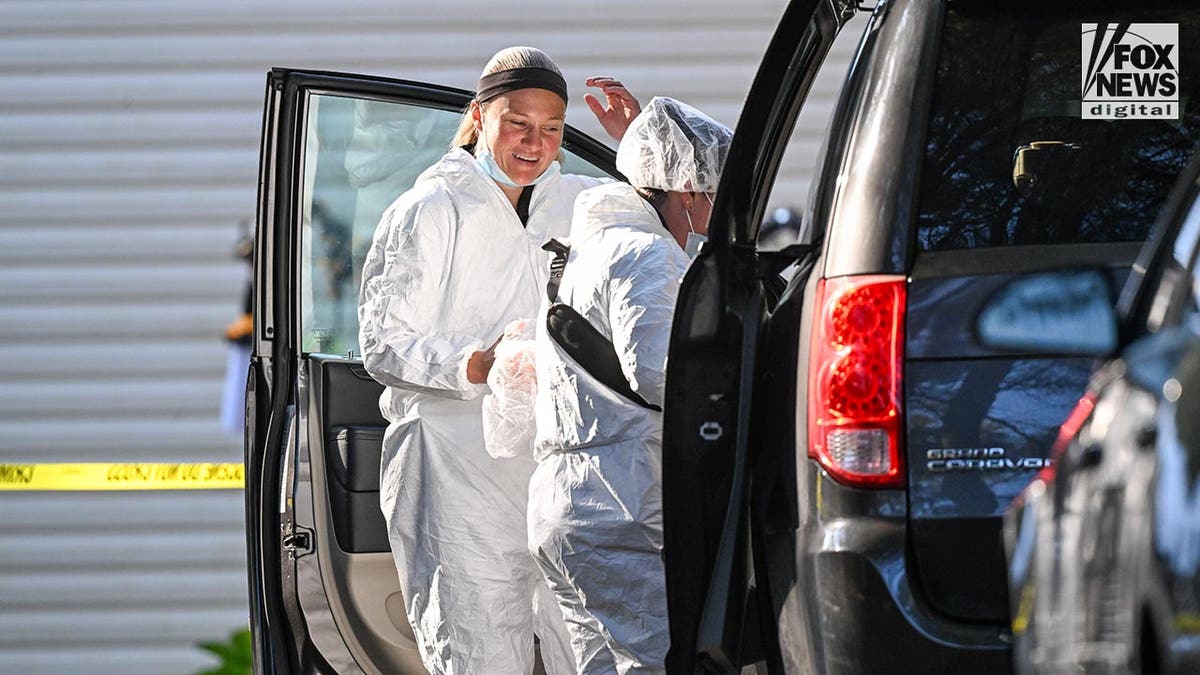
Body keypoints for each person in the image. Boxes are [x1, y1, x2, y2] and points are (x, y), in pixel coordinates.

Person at [357, 46, 640, 675]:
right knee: (476, 645)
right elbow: (383, 342)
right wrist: (475, 366)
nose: (534, 143)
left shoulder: (576, 202)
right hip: (456, 473)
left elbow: (668, 229)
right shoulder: (431, 210)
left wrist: (636, 142)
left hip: (555, 468)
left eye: (551, 129)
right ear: (481, 116)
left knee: (588, 646)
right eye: (518, 123)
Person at [527, 97, 733, 674]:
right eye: (714, 192)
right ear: (687, 188)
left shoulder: (593, 248)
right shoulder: (645, 255)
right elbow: (662, 372)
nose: (717, 209)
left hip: (567, 509)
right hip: (620, 509)